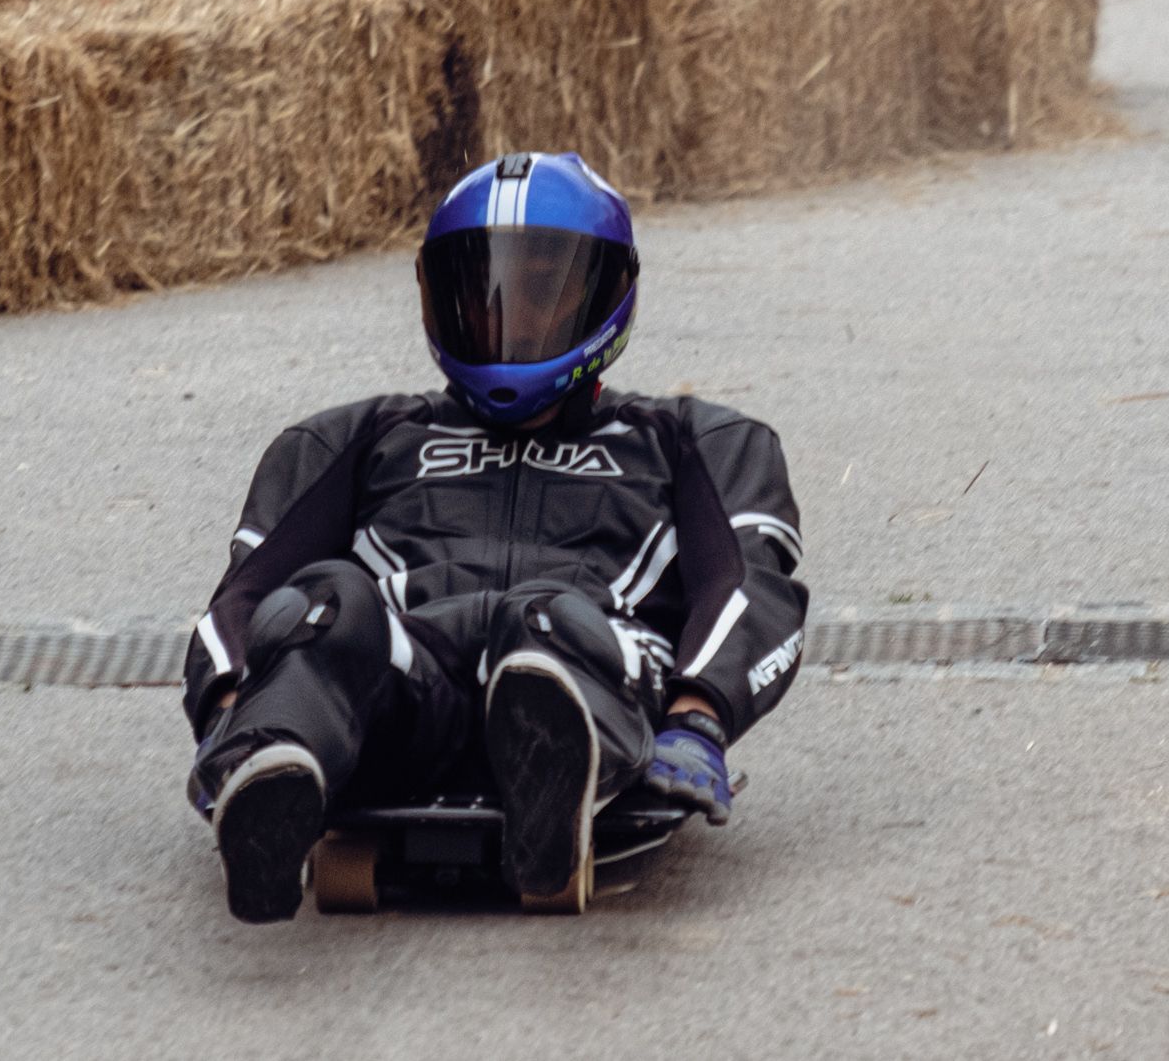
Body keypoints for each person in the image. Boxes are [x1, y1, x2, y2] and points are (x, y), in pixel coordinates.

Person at [182, 151, 810, 923]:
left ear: (609, 292)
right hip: (410, 688)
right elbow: (242, 596)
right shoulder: (356, 436)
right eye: (480, 291)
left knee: (543, 622)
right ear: (433, 293)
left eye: (545, 287)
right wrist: (229, 705)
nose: (511, 313)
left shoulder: (696, 439)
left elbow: (750, 588)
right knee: (323, 607)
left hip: (596, 665)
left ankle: (553, 773)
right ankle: (275, 764)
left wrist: (697, 717)